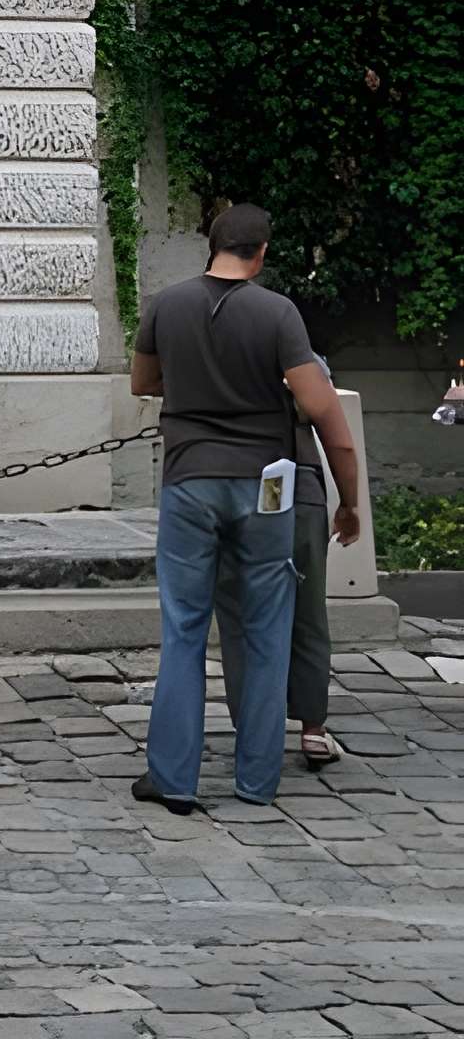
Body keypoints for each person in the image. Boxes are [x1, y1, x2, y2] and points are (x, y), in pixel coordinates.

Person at [129, 203, 362, 812]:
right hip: (267, 485)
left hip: (190, 478)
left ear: (212, 245)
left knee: (182, 629)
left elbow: (143, 382)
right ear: (260, 253)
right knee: (266, 628)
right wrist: (350, 501)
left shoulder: (166, 304)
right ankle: (257, 782)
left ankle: (173, 778)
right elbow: (321, 411)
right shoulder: (277, 312)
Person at [214, 353, 342, 766]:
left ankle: (252, 726)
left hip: (232, 488)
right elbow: (330, 425)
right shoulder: (297, 354)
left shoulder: (211, 360)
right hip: (293, 485)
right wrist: (352, 502)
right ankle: (313, 730)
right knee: (306, 610)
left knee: (239, 614)